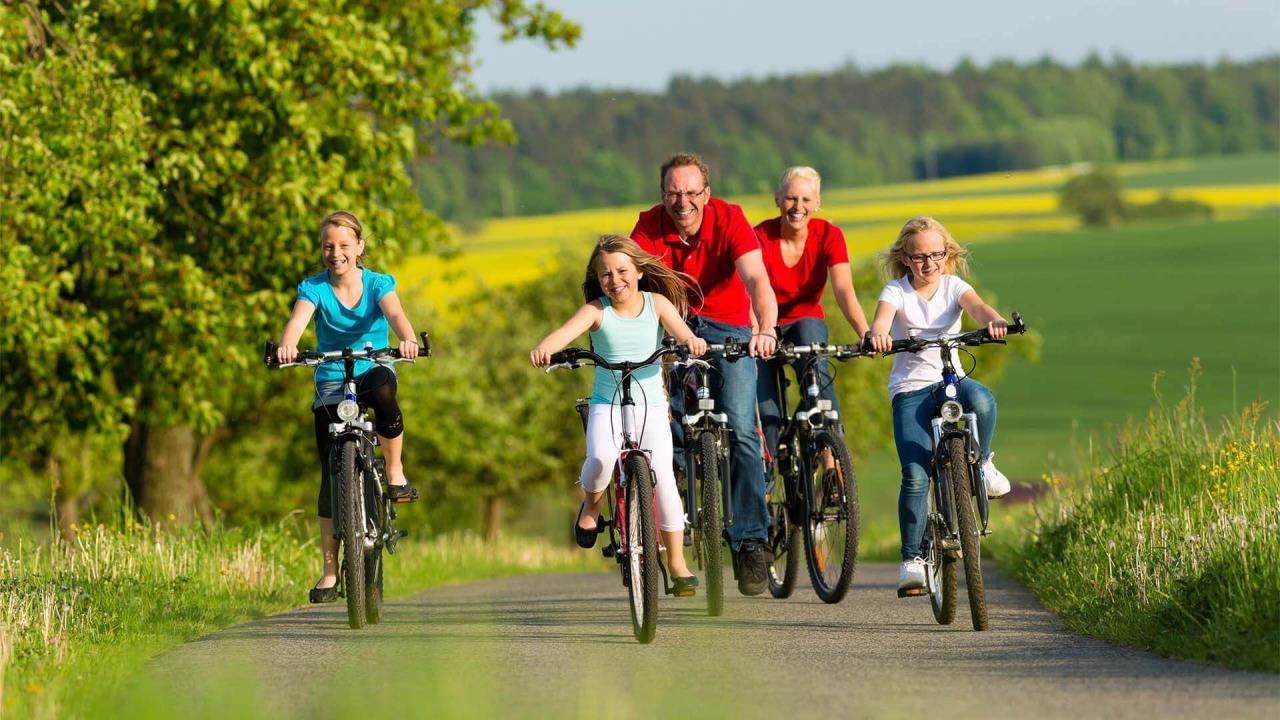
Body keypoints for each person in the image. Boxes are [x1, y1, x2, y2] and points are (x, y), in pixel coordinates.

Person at [630, 152, 779, 596]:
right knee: (663, 426)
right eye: (674, 192)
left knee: (742, 429)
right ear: (663, 195)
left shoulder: (730, 218)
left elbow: (756, 279)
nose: (683, 201)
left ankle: (752, 540)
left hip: (729, 324)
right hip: (672, 325)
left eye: (692, 192)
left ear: (706, 194)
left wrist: (766, 328)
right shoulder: (648, 227)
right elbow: (629, 283)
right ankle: (671, 519)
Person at [530, 235, 707, 596]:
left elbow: (683, 333)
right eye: (605, 274)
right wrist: (546, 348)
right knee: (600, 459)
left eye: (622, 271)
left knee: (664, 479)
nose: (615, 280)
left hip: (651, 407)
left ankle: (676, 563)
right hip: (607, 404)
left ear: (639, 271)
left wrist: (693, 343)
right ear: (598, 279)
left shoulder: (657, 304)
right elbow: (564, 333)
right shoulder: (597, 310)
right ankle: (592, 505)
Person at [275, 211, 423, 604]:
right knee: (329, 474)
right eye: (328, 246)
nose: (335, 253)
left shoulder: (377, 283)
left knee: (385, 395)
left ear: (359, 247)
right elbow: (297, 322)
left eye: (343, 245)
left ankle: (394, 472)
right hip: (330, 379)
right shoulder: (314, 288)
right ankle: (329, 571)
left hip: (373, 367)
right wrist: (287, 346)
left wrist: (407, 338)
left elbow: (396, 315)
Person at [865, 216, 1012, 596]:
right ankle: (911, 560)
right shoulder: (896, 291)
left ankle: (983, 463)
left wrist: (995, 322)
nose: (928, 263)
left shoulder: (954, 286)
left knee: (981, 398)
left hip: (952, 381)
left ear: (948, 254)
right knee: (915, 475)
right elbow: (881, 321)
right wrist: (879, 335)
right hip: (911, 390)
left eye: (937, 254)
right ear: (905, 259)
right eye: (919, 257)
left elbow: (977, 308)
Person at [754, 166, 870, 462]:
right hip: (762, 323)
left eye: (806, 199)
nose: (798, 207)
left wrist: (864, 332)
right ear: (777, 199)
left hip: (804, 320)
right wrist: (757, 333)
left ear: (817, 203)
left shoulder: (828, 235)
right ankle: (765, 486)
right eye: (791, 198)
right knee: (765, 411)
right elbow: (747, 290)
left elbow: (844, 290)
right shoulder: (759, 236)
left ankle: (831, 455)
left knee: (814, 357)